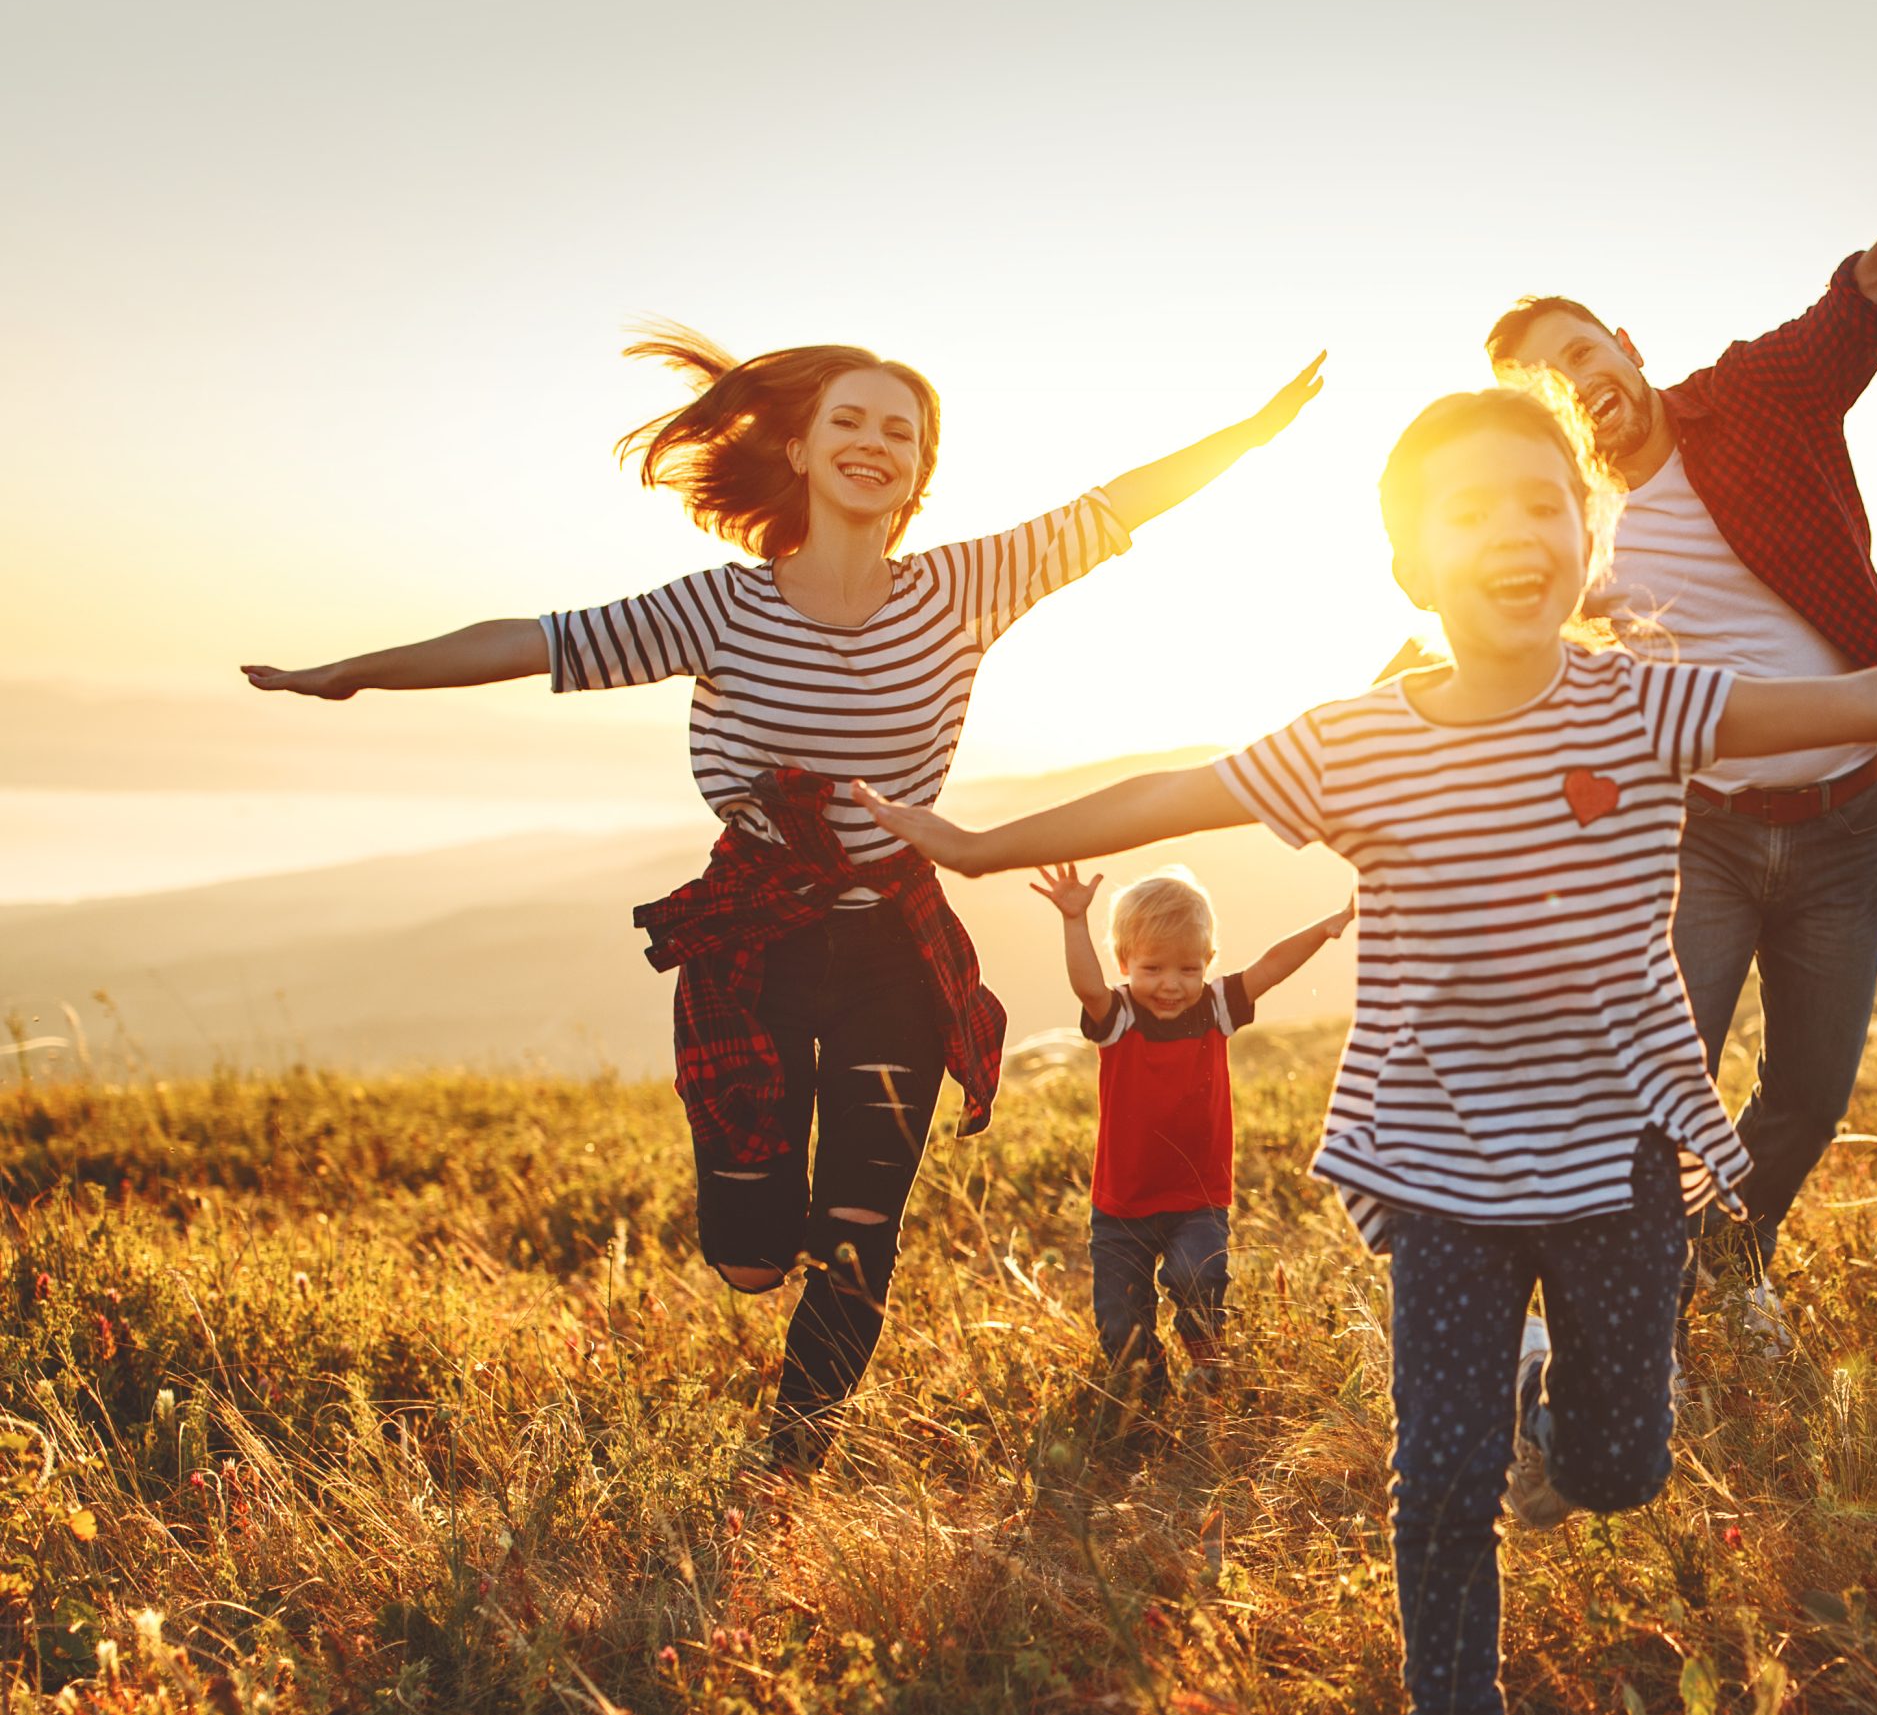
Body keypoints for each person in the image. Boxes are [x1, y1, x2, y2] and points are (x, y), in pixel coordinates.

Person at [843, 376, 1877, 1715]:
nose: (1516, 529)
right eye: (1472, 508)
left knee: (1620, 1470)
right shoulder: (1356, 738)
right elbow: (1172, 794)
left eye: (1544, 500)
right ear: (1410, 564)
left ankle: (1548, 1408)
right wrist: (982, 841)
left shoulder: (1643, 702)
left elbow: (1866, 698)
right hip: (1441, 1160)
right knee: (1437, 1472)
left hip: (1622, 1151)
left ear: (1589, 535)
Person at [242, 329, 1324, 1469]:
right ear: (801, 447)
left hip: (895, 951)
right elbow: (532, 640)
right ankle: (764, 1227)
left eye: (899, 432)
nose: (874, 444)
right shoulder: (722, 607)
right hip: (756, 943)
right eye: (849, 423)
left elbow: (1112, 510)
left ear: (919, 472)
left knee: (862, 1229)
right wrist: (355, 669)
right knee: (753, 1255)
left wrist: (1250, 437)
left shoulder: (965, 588)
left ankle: (789, 1459)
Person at [1485, 52, 1877, 1339]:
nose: (1576, 385)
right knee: (1653, 1086)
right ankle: (1623, 1304)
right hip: (1699, 838)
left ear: (1620, 338)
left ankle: (1728, 1265)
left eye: (1578, 352)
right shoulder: (1570, 531)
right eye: (1544, 392)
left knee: (1809, 1095)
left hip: (1843, 829)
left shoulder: (1758, 397)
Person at [1029, 862, 1350, 1380]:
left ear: (1208, 962)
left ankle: (1206, 1358)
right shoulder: (1120, 1016)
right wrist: (1073, 920)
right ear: (1125, 962)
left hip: (1197, 1198)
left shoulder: (1216, 1007)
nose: (1171, 986)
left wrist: (1329, 924)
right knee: (1120, 1327)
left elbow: (1270, 965)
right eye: (1152, 969)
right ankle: (1145, 1399)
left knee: (1197, 1278)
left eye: (1187, 969)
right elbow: (1089, 989)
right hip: (1121, 1207)